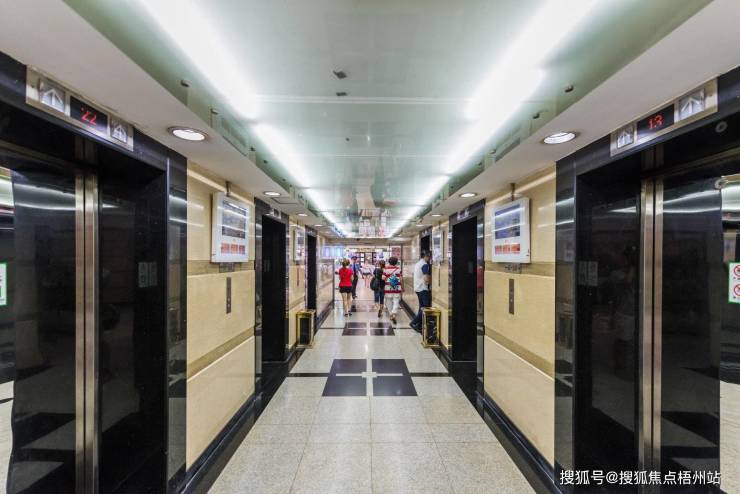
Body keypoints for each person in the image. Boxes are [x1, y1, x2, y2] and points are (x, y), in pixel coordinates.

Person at [410, 250, 432, 333]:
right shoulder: (424, 264)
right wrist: (431, 283)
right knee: (426, 307)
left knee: (422, 307)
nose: (430, 258)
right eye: (429, 256)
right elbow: (426, 278)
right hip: (423, 289)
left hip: (417, 288)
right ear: (426, 256)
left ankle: (418, 325)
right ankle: (414, 322)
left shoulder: (418, 263)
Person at [383, 256, 403, 324]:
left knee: (388, 301)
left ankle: (391, 314)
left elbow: (383, 278)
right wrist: (402, 287)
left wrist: (387, 278)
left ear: (389, 262)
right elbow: (401, 279)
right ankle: (394, 313)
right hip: (396, 287)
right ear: (396, 262)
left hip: (388, 287)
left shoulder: (386, 269)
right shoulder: (398, 269)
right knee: (396, 301)